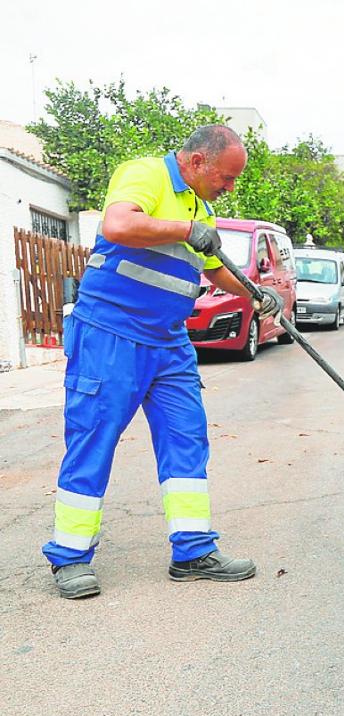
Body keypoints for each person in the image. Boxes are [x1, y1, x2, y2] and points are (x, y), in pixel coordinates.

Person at [43, 125, 282, 599]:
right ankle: (70, 557)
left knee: (186, 437)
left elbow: (211, 267)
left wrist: (255, 293)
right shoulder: (146, 175)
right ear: (196, 162)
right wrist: (186, 229)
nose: (229, 187)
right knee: (94, 439)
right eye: (226, 176)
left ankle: (193, 550)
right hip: (111, 335)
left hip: (169, 343)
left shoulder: (200, 205)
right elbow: (118, 226)